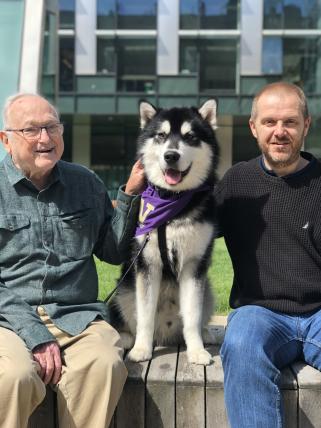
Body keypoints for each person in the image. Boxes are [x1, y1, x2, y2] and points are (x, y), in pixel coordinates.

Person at [0, 93, 145, 428]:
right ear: (6, 139)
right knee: (13, 377)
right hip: (8, 318)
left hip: (76, 316)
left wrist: (130, 195)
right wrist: (34, 333)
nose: (45, 139)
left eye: (52, 127)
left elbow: (111, 251)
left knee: (104, 362)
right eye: (31, 130)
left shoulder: (85, 182)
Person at [215, 81, 321, 427]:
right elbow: (188, 229)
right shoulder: (236, 182)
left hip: (320, 313)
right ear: (253, 127)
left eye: (290, 122)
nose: (280, 132)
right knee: (241, 343)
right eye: (270, 122)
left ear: (306, 125)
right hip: (260, 314)